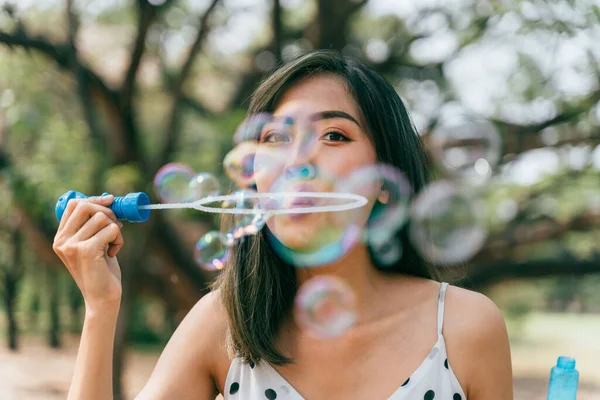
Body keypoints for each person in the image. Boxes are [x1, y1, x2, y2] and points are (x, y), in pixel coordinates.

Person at [53, 50, 513, 400]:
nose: (298, 160)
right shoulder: (225, 325)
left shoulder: (463, 327)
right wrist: (100, 307)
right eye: (276, 137)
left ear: (385, 182)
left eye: (334, 135)